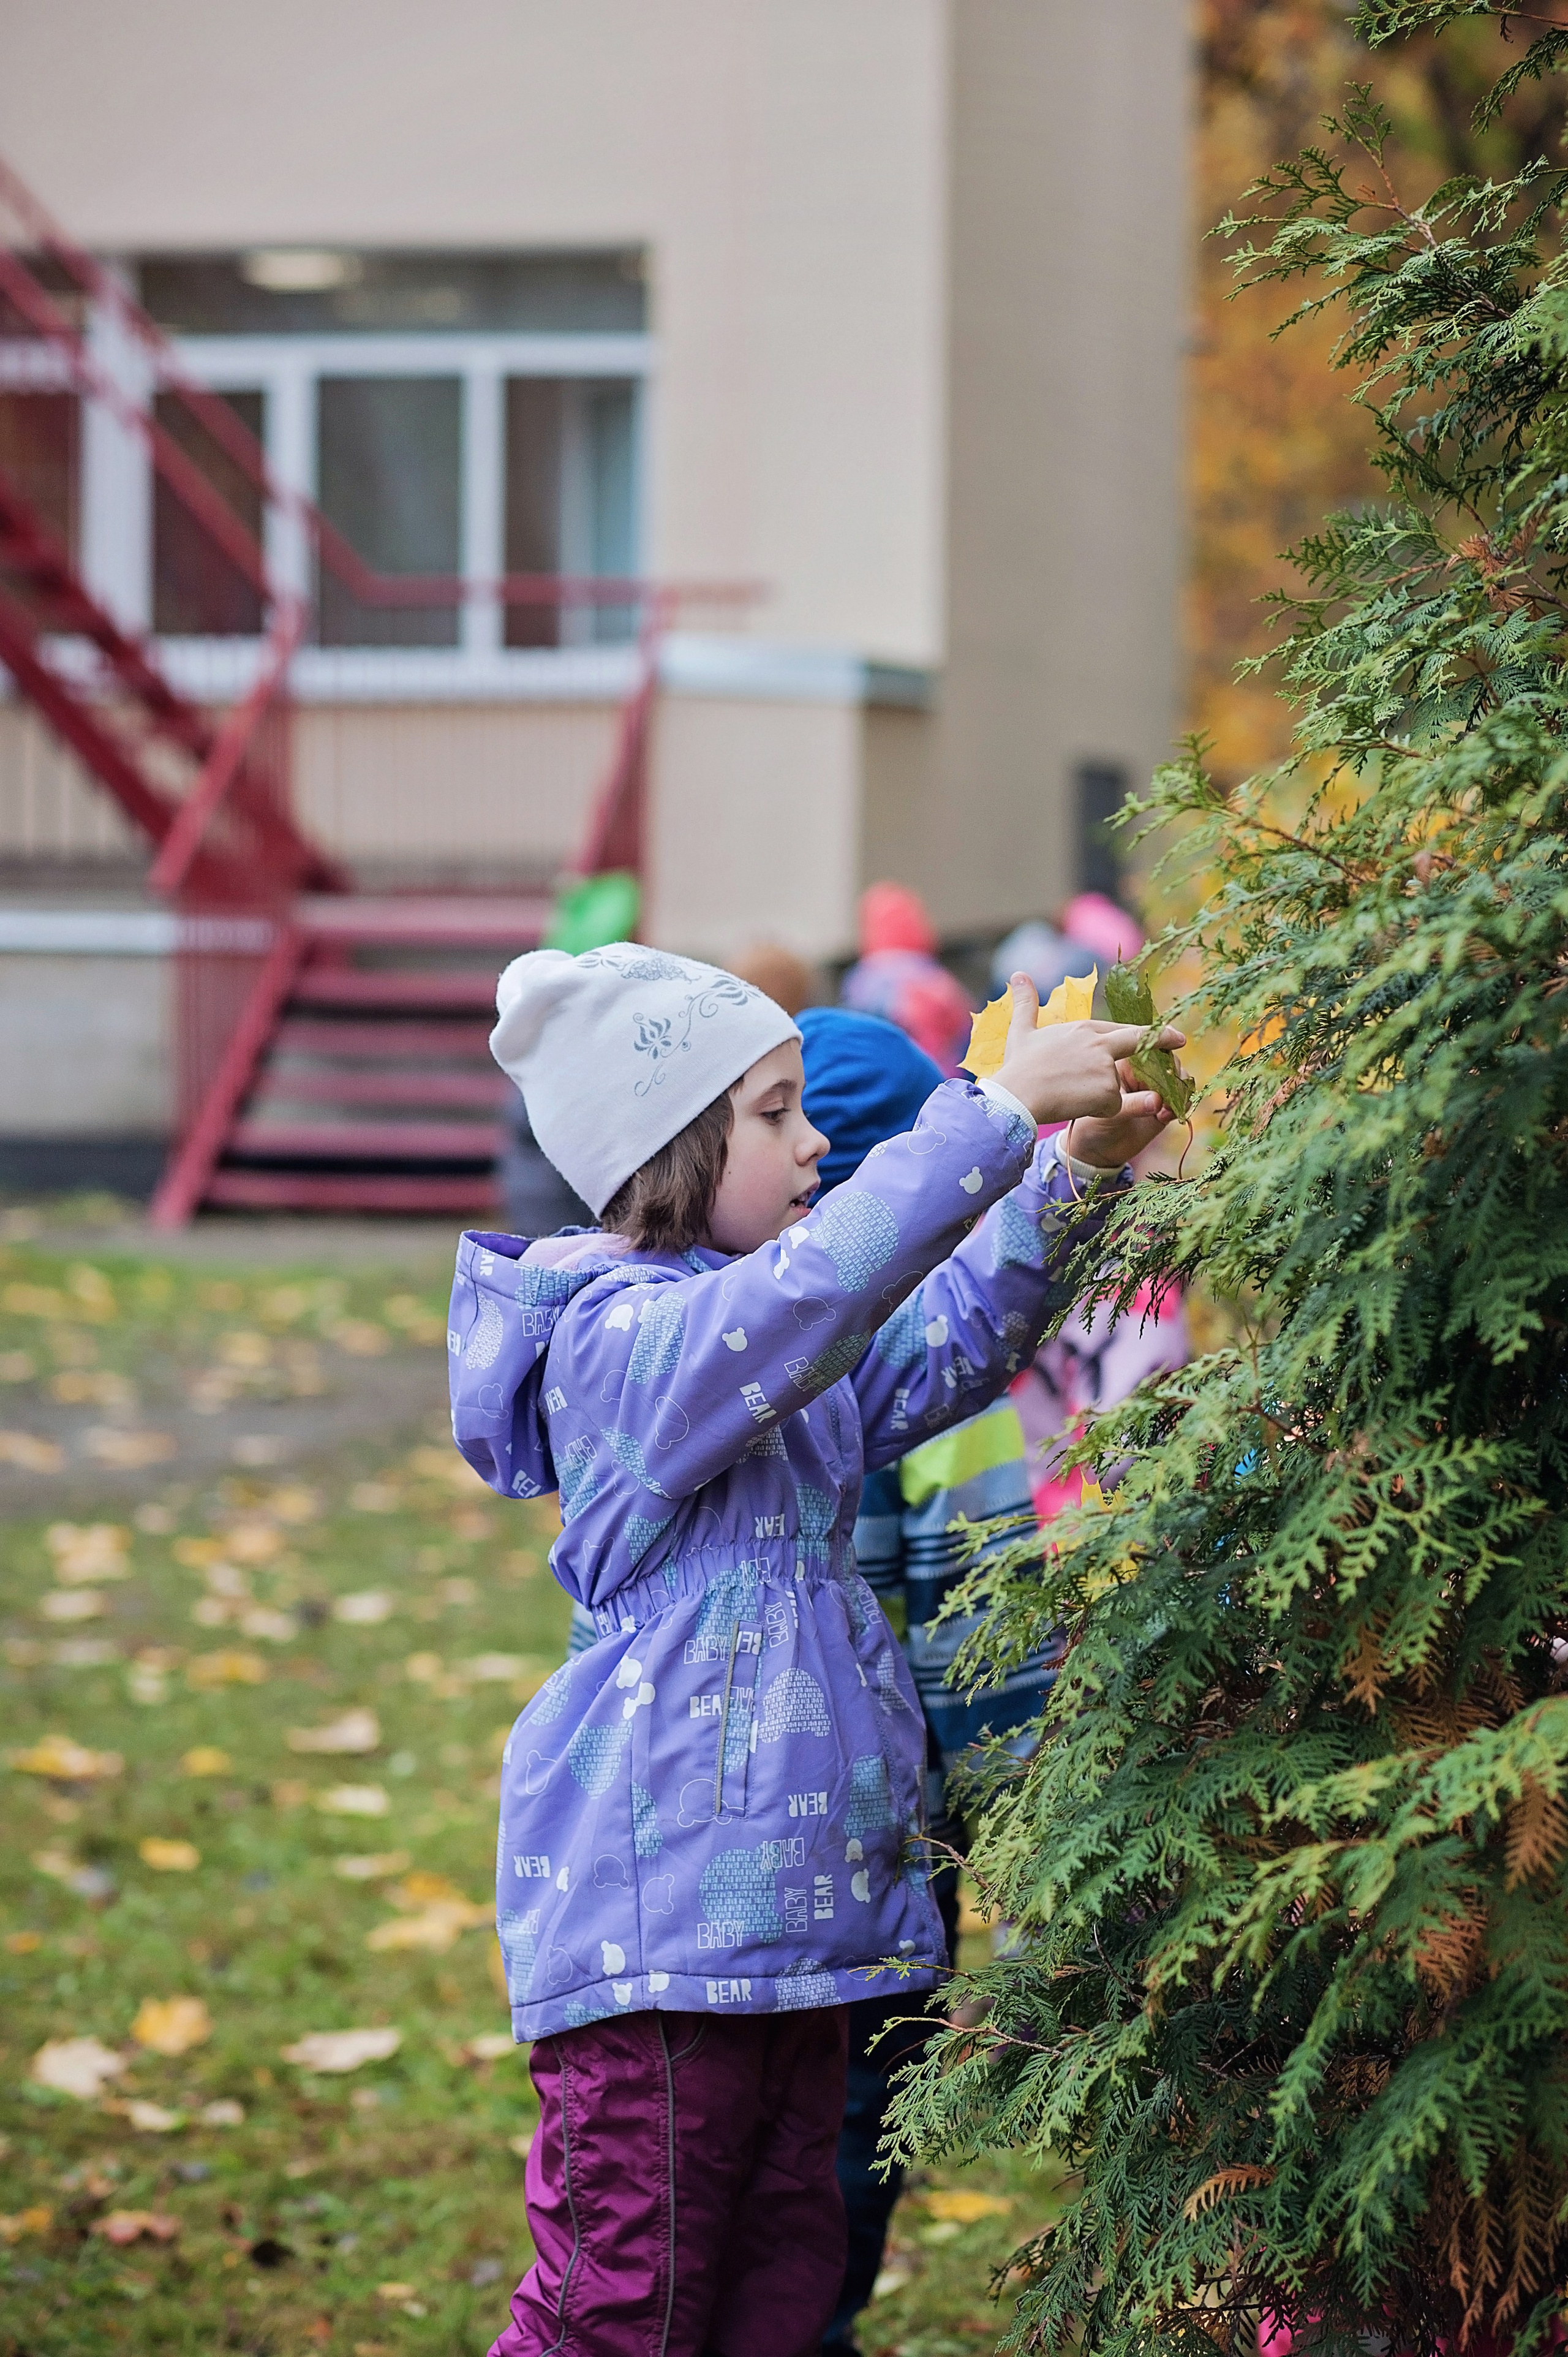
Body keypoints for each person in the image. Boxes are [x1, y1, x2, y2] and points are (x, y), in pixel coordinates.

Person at [449, 940, 1183, 2357]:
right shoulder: (625, 1342)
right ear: (670, 1143)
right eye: (776, 1110)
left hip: (796, 1932)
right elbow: (809, 1296)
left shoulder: (773, 1364)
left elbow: (942, 1337)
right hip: (656, 1940)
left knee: (782, 2283)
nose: (816, 1136)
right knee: (627, 2299)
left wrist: (1076, 1171)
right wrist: (982, 1116)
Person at [791, 1007, 1068, 2356]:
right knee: (858, 2109)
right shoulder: (923, 1365)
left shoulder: (749, 1341)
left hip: (756, 1820)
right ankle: (819, 2322)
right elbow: (980, 1629)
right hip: (898, 1818)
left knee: (785, 2112)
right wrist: (1024, 1815)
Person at [839, 881, 974, 1074]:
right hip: (945, 1079)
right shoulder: (938, 979)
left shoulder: (863, 982)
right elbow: (966, 1028)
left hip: (889, 1079)